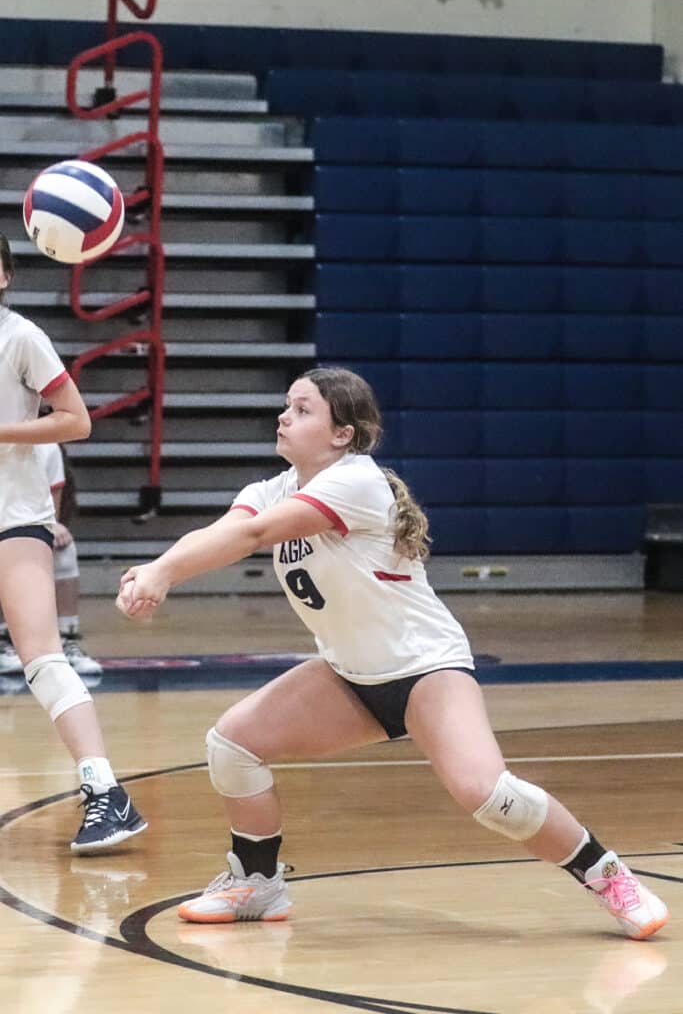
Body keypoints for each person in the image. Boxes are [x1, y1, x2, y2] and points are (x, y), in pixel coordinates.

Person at [117, 367, 668, 939]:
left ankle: (608, 876)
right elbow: (225, 531)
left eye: (303, 409)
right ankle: (257, 883)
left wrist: (161, 574)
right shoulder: (268, 491)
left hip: (426, 668)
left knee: (486, 793)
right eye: (286, 405)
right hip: (349, 677)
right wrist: (161, 569)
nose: (284, 416)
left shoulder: (355, 482)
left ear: (342, 435)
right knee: (232, 746)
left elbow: (254, 539)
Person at [0, 232, 147, 853]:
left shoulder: (21, 337)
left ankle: (106, 792)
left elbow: (77, 420)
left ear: (3, 275)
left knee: (41, 657)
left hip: (12, 517)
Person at [0, 441, 102, 676]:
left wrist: (53, 527)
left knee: (63, 547)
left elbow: (50, 512)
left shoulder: (47, 446)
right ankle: (5, 638)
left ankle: (67, 639)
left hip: (21, 525)